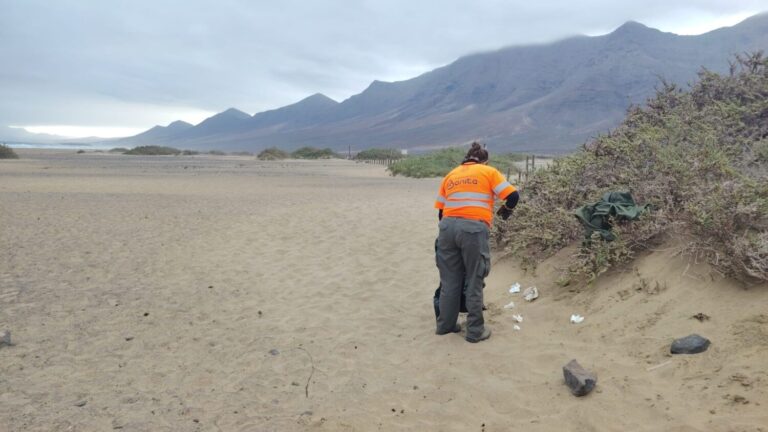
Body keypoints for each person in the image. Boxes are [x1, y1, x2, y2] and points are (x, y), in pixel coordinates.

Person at [433, 142, 519, 342]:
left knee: (449, 280)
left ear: (466, 158)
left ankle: (445, 326)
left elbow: (441, 212)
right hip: (473, 228)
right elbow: (513, 196)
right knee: (474, 278)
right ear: (485, 161)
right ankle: (475, 331)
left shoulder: (451, 175)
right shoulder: (489, 172)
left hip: (447, 227)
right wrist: (505, 212)